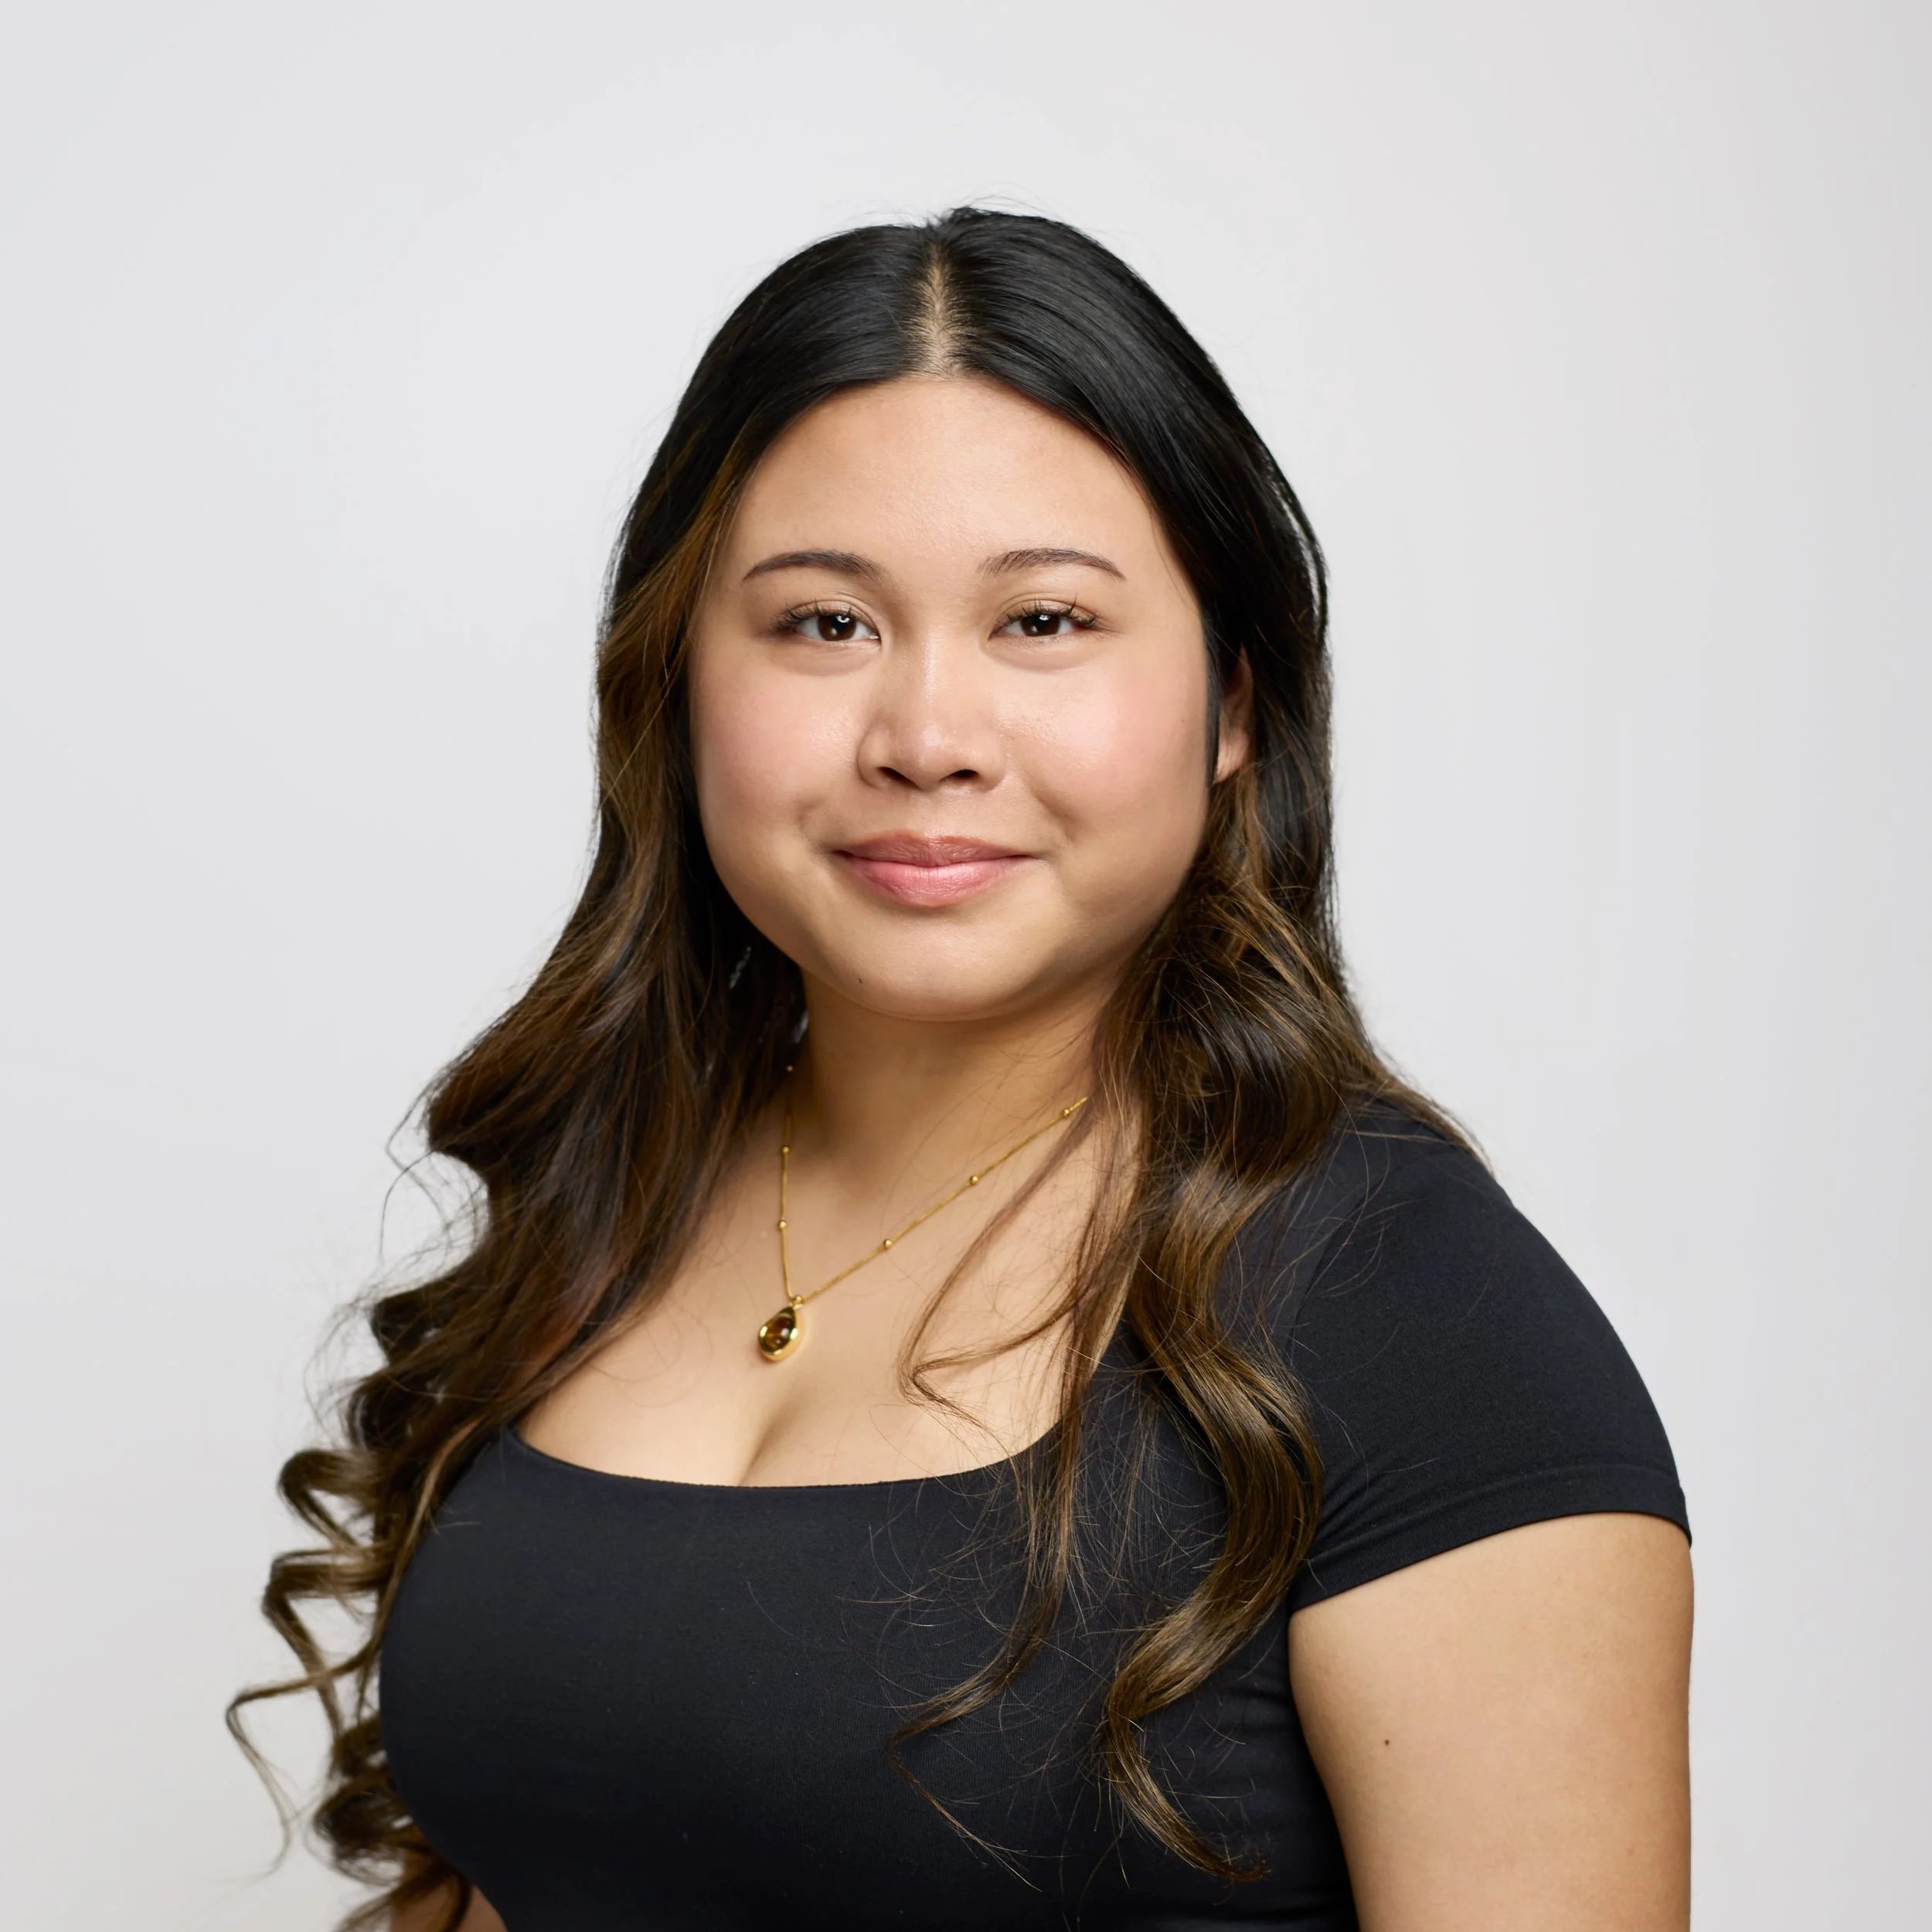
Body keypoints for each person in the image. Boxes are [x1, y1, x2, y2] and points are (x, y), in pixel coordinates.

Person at [233, 206, 1693, 1932]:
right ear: (675, 679)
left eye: (1045, 622)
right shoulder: (609, 1199)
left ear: (1233, 705)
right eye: (824, 625)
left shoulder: (1415, 1316)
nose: (924, 736)